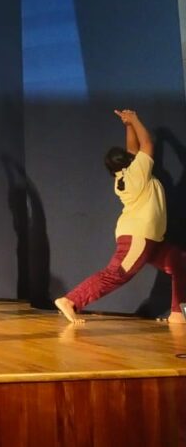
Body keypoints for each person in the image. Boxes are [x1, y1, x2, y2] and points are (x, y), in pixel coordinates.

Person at [55, 110, 186, 325]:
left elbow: (132, 150)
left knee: (180, 263)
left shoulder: (125, 175)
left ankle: (178, 313)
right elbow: (147, 144)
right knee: (116, 274)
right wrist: (134, 119)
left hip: (149, 237)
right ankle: (71, 300)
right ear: (127, 161)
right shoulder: (137, 172)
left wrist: (128, 126)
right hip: (139, 237)